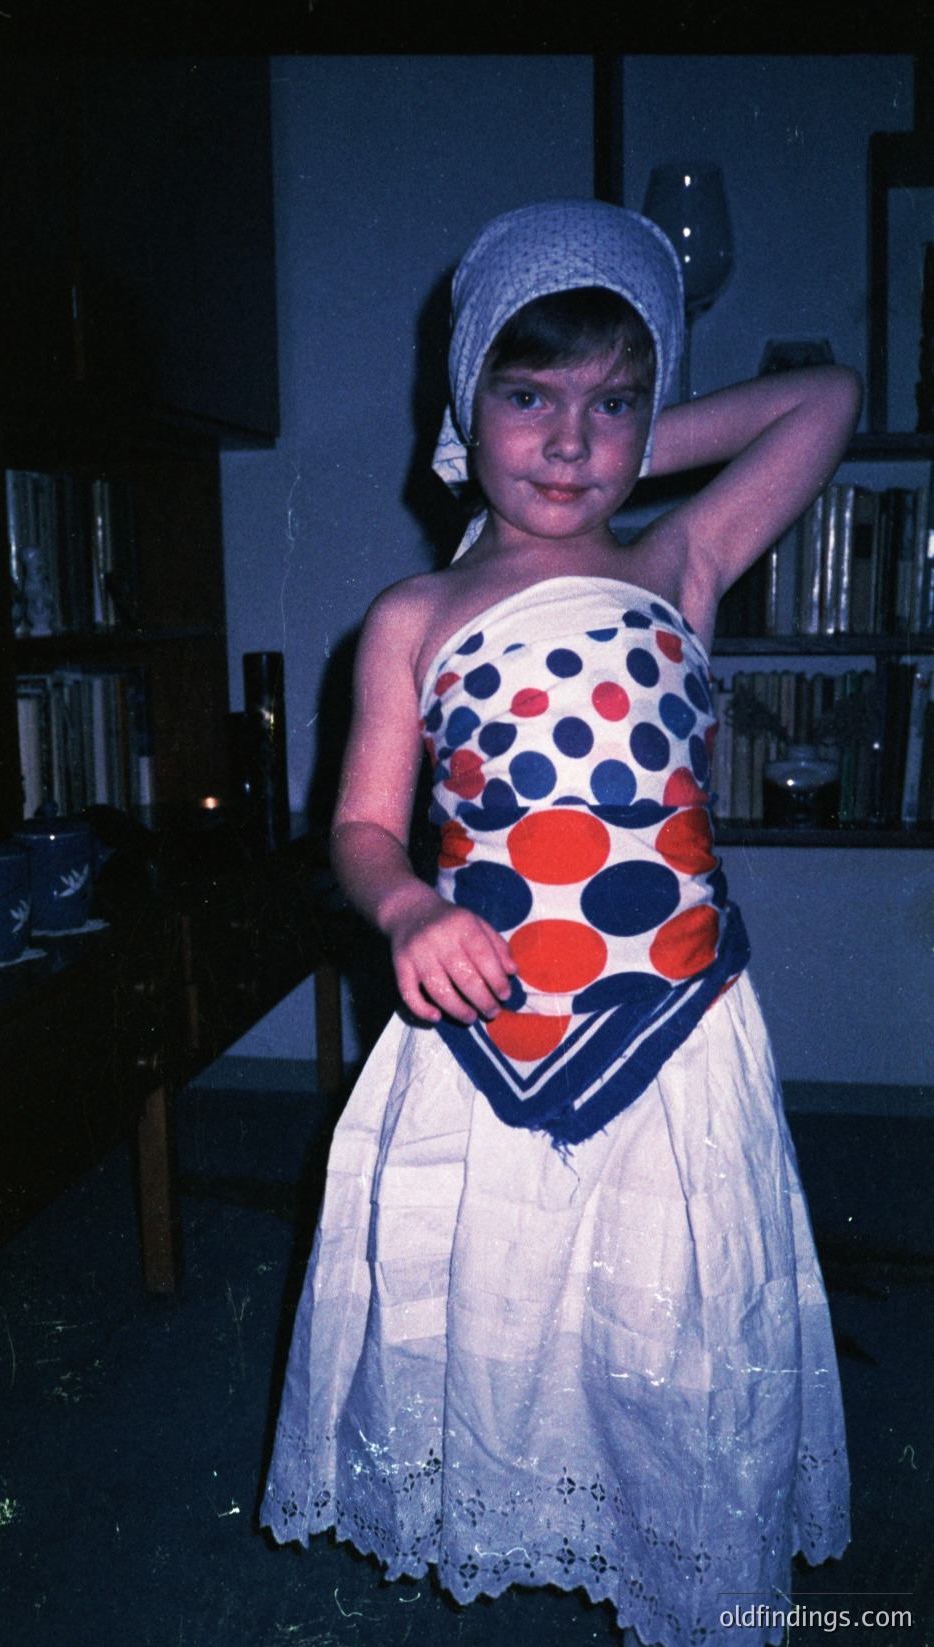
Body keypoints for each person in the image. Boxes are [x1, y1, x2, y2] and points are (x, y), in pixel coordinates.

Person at [259, 200, 858, 1647]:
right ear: (462, 403)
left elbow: (824, 398)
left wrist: (638, 428)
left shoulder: (677, 566)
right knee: (501, 1293)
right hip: (485, 1009)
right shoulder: (412, 613)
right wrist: (402, 900)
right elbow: (353, 825)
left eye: (612, 406)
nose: (573, 441)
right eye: (527, 399)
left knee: (669, 1308)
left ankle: (683, 1550)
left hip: (674, 1004)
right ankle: (517, 1493)